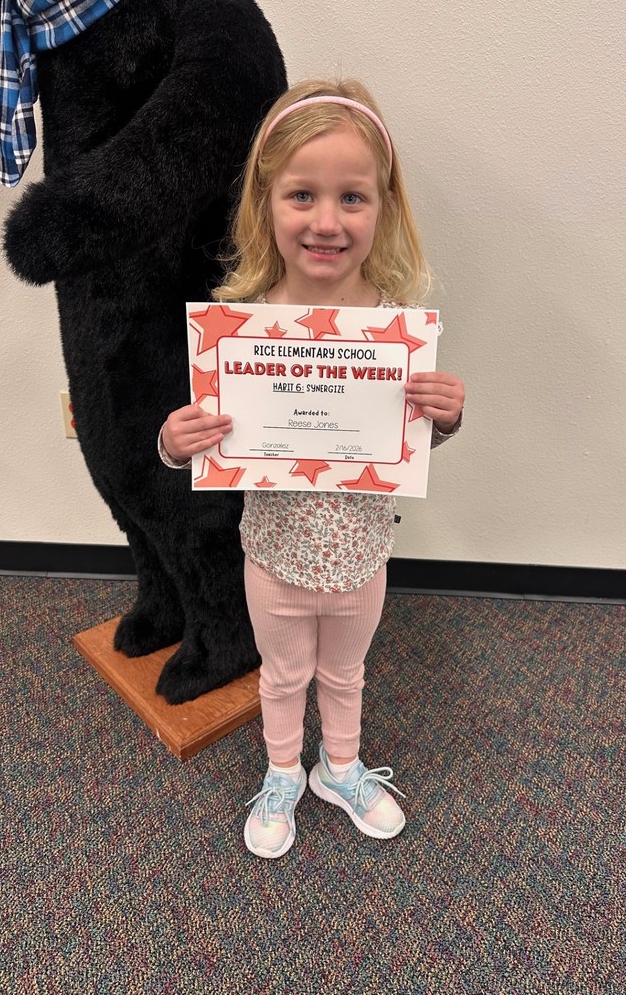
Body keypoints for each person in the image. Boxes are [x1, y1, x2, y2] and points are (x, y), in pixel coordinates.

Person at [159, 78, 465, 858]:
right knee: (282, 674)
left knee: (348, 673)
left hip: (362, 552)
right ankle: (283, 772)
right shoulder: (241, 323)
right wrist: (174, 439)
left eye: (352, 198)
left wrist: (446, 416)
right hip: (273, 554)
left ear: (384, 209)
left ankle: (341, 767)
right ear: (265, 202)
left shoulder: (394, 328)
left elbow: (409, 444)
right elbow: (193, 444)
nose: (326, 221)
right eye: (301, 194)